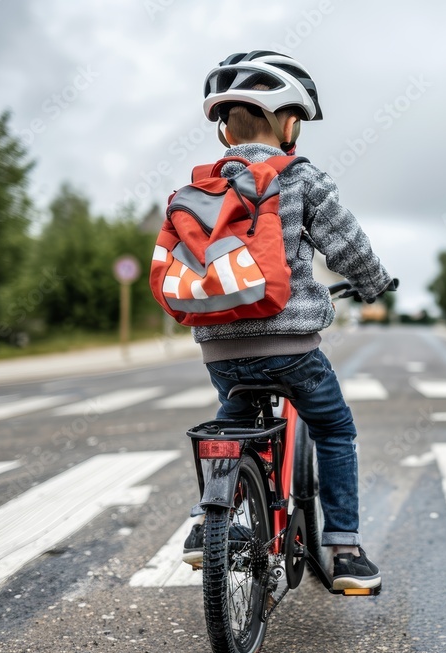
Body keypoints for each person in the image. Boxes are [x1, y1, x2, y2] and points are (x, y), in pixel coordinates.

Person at [180, 51, 393, 591]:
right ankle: (343, 548)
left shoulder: (206, 185)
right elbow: (347, 244)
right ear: (287, 122)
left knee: (229, 426)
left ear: (226, 129)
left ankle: (209, 527)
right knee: (334, 427)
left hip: (220, 346)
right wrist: (373, 284)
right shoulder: (298, 176)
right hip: (291, 342)